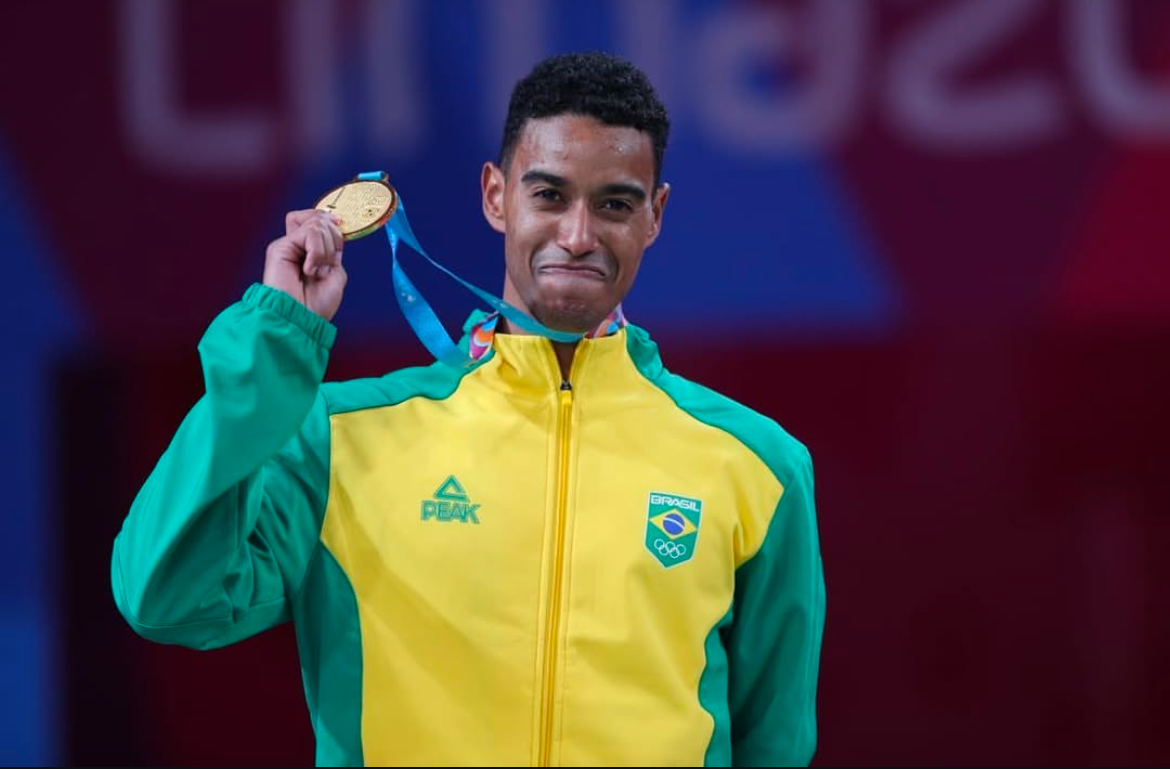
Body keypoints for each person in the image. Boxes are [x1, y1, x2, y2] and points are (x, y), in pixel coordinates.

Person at [111, 50, 826, 767]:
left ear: (655, 215)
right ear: (496, 195)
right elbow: (169, 597)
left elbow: (776, 742)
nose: (578, 235)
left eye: (614, 203)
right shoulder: (343, 439)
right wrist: (271, 352)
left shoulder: (757, 465)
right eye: (548, 195)